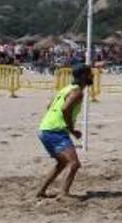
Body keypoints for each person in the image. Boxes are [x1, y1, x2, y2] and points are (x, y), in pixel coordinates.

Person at [36, 64, 93, 199]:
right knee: (74, 164)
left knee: (62, 163)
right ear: (84, 76)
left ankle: (41, 191)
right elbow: (65, 108)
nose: (92, 76)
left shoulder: (67, 88)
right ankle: (63, 194)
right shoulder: (77, 91)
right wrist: (71, 129)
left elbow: (50, 105)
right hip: (55, 130)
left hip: (45, 128)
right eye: (90, 74)